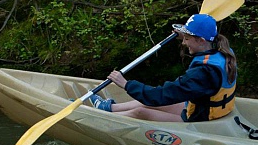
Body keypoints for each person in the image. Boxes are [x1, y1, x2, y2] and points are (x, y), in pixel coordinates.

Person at [89, 13, 238, 122]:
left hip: (200, 119)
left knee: (142, 111)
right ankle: (108, 109)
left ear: (200, 40)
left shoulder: (203, 73)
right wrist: (184, 34)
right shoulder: (223, 50)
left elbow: (161, 95)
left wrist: (126, 84)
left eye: (187, 39)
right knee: (145, 101)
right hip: (205, 107)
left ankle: (100, 120)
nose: (184, 43)